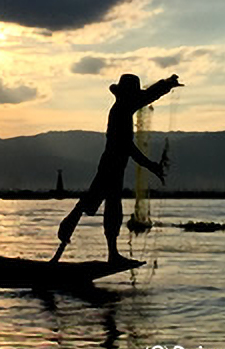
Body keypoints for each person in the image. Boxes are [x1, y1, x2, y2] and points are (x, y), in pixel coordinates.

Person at [52, 73, 183, 264]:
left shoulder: (125, 107)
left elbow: (147, 97)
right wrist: (151, 166)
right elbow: (128, 147)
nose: (137, 98)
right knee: (92, 203)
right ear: (127, 94)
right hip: (110, 166)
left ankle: (110, 253)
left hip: (115, 167)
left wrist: (166, 84)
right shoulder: (121, 111)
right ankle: (66, 236)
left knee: (110, 209)